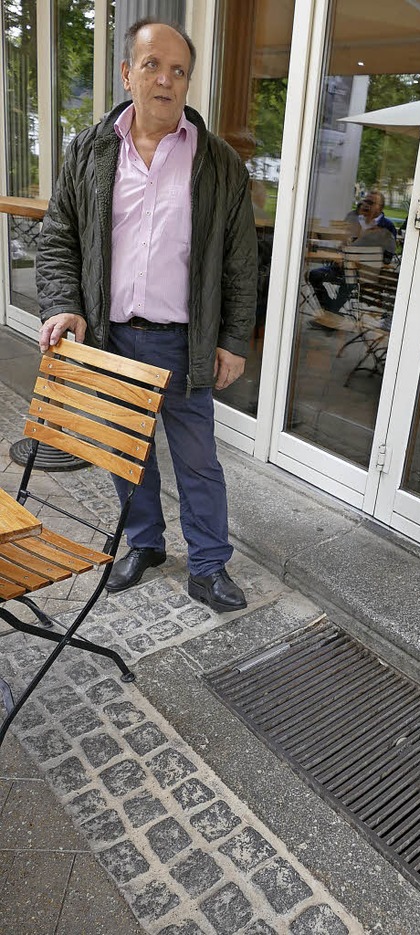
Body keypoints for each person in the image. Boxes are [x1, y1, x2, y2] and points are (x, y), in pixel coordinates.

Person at [36, 19, 258, 611]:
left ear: (188, 82)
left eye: (179, 70)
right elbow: (58, 238)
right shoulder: (88, 151)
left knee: (199, 464)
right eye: (153, 65)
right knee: (125, 455)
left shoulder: (218, 164)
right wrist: (62, 304)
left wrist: (232, 340)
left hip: (184, 343)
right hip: (108, 338)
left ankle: (209, 566)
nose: (166, 79)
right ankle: (145, 543)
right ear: (128, 73)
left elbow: (240, 263)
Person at [308, 190, 397, 316]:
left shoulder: (387, 226)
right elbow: (342, 242)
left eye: (371, 202)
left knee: (349, 281)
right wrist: (340, 254)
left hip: (364, 272)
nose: (366, 205)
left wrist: (358, 260)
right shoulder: (353, 218)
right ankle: (332, 313)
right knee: (314, 274)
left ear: (380, 207)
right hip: (342, 266)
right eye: (365, 201)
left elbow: (387, 258)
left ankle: (330, 316)